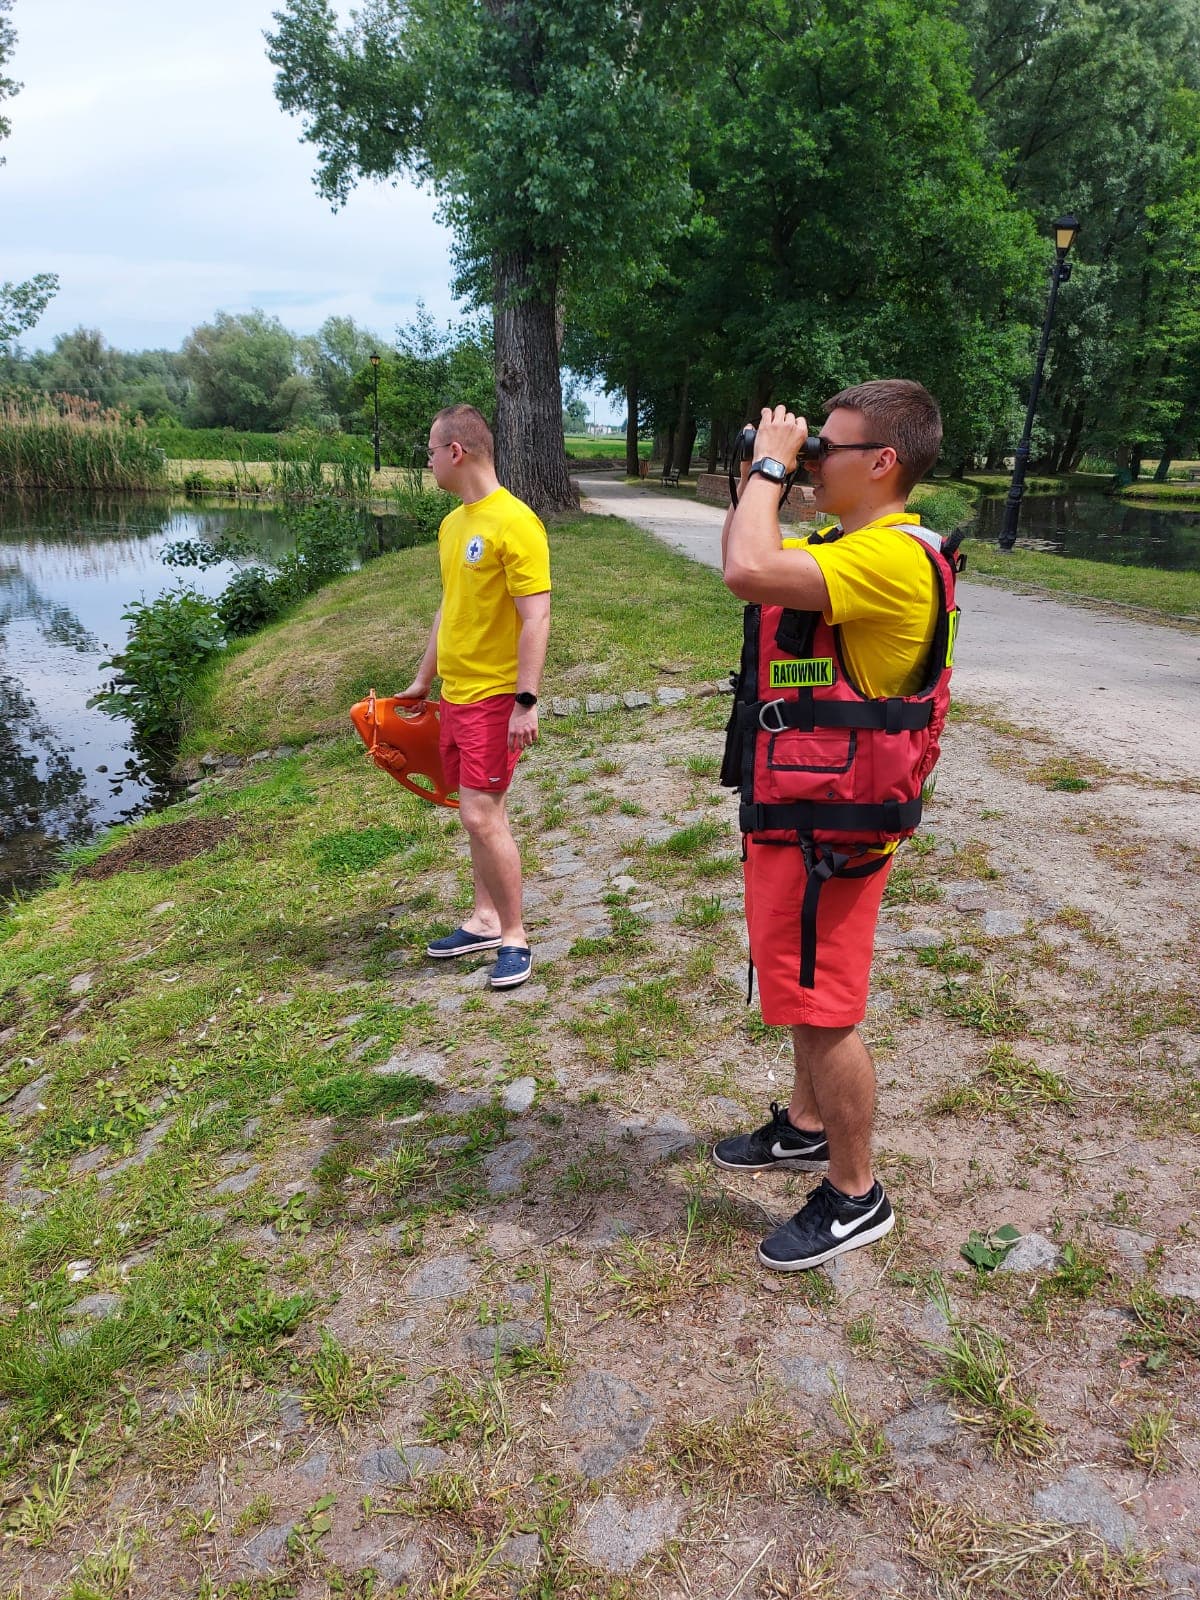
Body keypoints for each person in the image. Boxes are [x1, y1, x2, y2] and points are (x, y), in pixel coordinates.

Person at [714, 380, 958, 1270]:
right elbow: (756, 554)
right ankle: (807, 1127)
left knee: (824, 1010)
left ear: (884, 463)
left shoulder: (888, 559)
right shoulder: (849, 544)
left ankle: (857, 1194)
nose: (816, 458)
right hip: (802, 809)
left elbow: (744, 568)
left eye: (832, 447)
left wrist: (775, 466)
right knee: (798, 987)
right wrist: (759, 475)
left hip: (832, 826)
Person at [400, 404, 551, 991]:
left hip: (493, 695)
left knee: (479, 812)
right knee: (481, 812)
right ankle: (485, 917)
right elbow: (450, 606)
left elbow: (535, 617)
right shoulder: (452, 525)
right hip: (456, 694)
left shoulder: (515, 523)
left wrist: (526, 699)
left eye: (432, 451)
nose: (429, 461)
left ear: (456, 452)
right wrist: (423, 677)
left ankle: (514, 936)